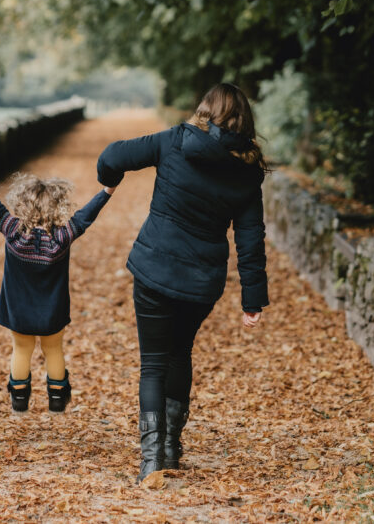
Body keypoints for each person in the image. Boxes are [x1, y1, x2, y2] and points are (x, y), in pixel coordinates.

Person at [95, 83, 270, 482]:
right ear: (245, 121)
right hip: (202, 281)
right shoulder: (246, 173)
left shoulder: (176, 140)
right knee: (180, 353)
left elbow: (111, 157)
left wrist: (109, 181)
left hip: (155, 269)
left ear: (205, 111)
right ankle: (170, 450)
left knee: (154, 363)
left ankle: (152, 461)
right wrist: (253, 298)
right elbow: (250, 239)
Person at [0, 164, 112, 412]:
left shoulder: (13, 232)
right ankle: (56, 399)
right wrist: (107, 190)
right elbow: (86, 216)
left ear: (22, 205)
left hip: (19, 312)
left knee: (21, 349)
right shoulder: (61, 238)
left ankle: (19, 399)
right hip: (52, 312)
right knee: (53, 350)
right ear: (57, 207)